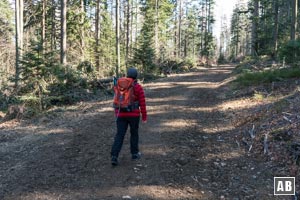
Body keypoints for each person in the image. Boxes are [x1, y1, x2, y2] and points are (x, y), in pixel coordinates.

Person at [111, 67, 147, 166]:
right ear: (136, 76)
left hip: (121, 114)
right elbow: (142, 103)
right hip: (134, 115)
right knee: (134, 134)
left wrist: (117, 113)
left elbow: (117, 99)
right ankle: (134, 154)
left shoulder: (119, 85)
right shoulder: (138, 87)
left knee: (119, 135)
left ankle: (114, 156)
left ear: (127, 75)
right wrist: (144, 116)